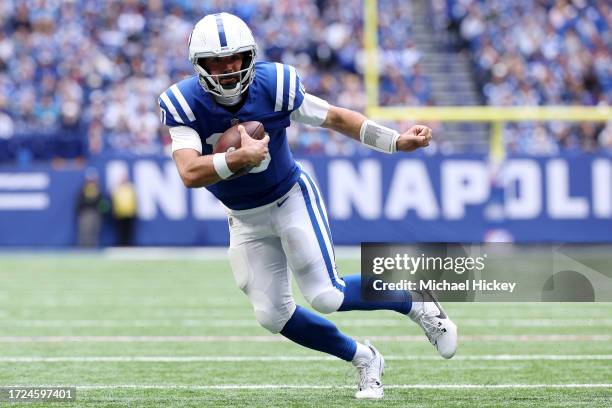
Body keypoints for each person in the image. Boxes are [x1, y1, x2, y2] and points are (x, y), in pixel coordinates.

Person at [159, 12, 457, 399]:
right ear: (199, 66)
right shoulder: (182, 103)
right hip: (244, 218)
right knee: (271, 315)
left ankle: (411, 299)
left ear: (251, 56)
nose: (228, 68)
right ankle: (365, 358)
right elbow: (187, 172)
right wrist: (236, 159)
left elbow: (335, 118)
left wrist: (395, 141)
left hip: (289, 197)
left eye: (235, 58)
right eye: (217, 61)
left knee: (326, 295)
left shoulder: (276, 85)